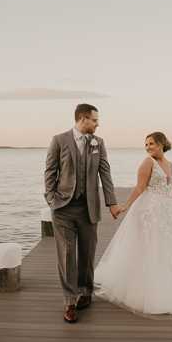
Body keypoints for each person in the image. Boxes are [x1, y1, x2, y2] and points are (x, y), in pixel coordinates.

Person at [94, 132, 172, 319]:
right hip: (149, 211)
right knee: (150, 247)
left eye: (151, 143)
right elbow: (140, 187)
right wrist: (125, 207)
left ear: (161, 144)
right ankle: (148, 290)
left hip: (167, 213)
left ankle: (168, 284)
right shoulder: (148, 162)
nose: (147, 148)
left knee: (166, 247)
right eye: (146, 145)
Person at [44, 103, 120, 323]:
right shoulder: (59, 140)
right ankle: (69, 301)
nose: (98, 124)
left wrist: (111, 202)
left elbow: (105, 173)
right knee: (67, 255)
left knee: (87, 253)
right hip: (63, 208)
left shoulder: (98, 143)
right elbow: (50, 170)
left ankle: (85, 293)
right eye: (95, 120)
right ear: (83, 119)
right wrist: (51, 198)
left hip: (89, 208)